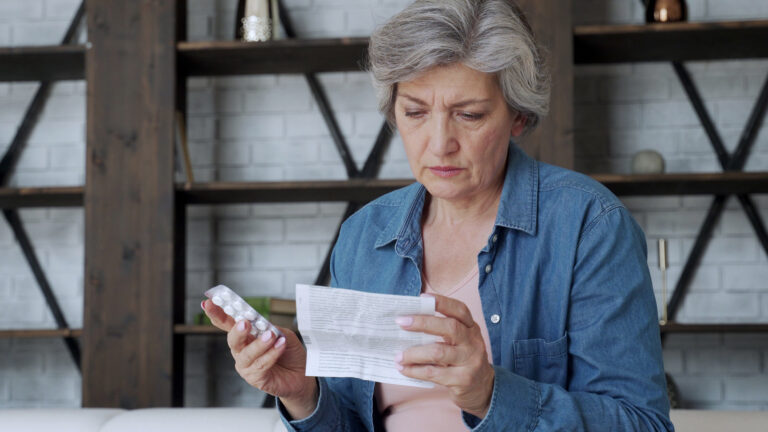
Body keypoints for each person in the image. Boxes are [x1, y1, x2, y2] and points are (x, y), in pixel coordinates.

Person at [201, 0, 675, 430]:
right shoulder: (365, 236)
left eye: (468, 115)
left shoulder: (588, 224)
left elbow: (641, 423)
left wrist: (491, 394)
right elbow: (349, 424)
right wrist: (306, 395)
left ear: (518, 116)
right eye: (415, 112)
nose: (439, 142)